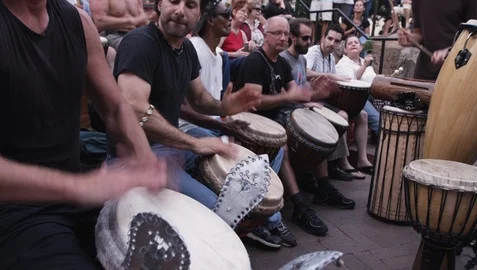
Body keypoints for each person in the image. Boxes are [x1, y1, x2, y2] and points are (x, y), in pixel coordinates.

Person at [0, 0, 167, 268]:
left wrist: (145, 160)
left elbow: (114, 107)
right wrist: (82, 187)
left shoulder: (78, 22)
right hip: (15, 210)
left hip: (76, 194)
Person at [113, 0, 261, 210]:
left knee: (241, 167)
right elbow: (135, 109)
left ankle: (260, 221)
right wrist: (195, 144)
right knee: (217, 208)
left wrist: (225, 107)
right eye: (174, 1)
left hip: (171, 146)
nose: (180, 11)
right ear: (159, 5)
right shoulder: (140, 43)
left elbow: (199, 98)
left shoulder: (186, 49)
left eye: (190, 5)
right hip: (136, 155)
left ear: (200, 13)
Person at [181, 0, 297, 248]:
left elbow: (219, 102)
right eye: (227, 14)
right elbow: (187, 107)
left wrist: (229, 118)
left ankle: (258, 218)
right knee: (247, 160)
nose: (233, 17)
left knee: (272, 149)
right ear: (211, 19)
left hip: (214, 125)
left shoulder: (220, 57)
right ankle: (262, 221)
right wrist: (223, 128)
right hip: (192, 129)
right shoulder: (194, 48)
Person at [237, 16, 355, 236]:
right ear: (266, 34)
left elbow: (295, 94)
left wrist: (316, 95)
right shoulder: (255, 61)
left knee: (318, 128)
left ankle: (323, 185)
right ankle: (300, 205)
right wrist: (288, 98)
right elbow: (253, 102)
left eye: (285, 34)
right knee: (282, 144)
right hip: (255, 120)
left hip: (279, 115)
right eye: (278, 33)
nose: (283, 38)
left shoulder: (280, 63)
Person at [280, 18, 361, 197]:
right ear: (292, 38)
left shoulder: (301, 59)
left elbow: (302, 89)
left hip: (303, 107)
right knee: (323, 126)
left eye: (311, 38)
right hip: (289, 112)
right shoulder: (283, 60)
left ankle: (321, 178)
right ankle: (319, 179)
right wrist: (312, 96)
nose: (309, 42)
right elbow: (288, 95)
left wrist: (314, 96)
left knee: (336, 120)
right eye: (306, 38)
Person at [305, 24, 372, 177]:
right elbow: (306, 71)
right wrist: (333, 77)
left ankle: (362, 159)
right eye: (329, 38)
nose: (331, 43)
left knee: (362, 115)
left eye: (336, 41)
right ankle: (339, 162)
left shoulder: (329, 57)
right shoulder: (313, 52)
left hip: (325, 100)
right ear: (323, 37)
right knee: (342, 115)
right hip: (310, 99)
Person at [397, 0, 477, 80]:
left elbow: (476, 37)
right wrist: (411, 38)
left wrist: (451, 52)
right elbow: (419, 32)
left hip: (458, 74)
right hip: (425, 73)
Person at [336, 35, 380, 148]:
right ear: (345, 49)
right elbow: (351, 85)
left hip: (371, 95)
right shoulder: (344, 63)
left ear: (360, 47)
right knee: (378, 120)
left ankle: (378, 138)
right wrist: (365, 66)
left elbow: (373, 79)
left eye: (356, 42)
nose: (354, 44)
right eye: (350, 43)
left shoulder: (363, 60)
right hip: (356, 99)